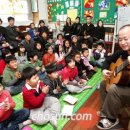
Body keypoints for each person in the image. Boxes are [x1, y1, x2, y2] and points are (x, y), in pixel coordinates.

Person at [97, 24, 130, 129]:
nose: (122, 42)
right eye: (120, 40)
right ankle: (105, 111)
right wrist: (104, 70)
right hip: (123, 85)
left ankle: (112, 118)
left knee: (114, 89)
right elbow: (107, 60)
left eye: (126, 39)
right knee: (103, 84)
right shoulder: (121, 52)